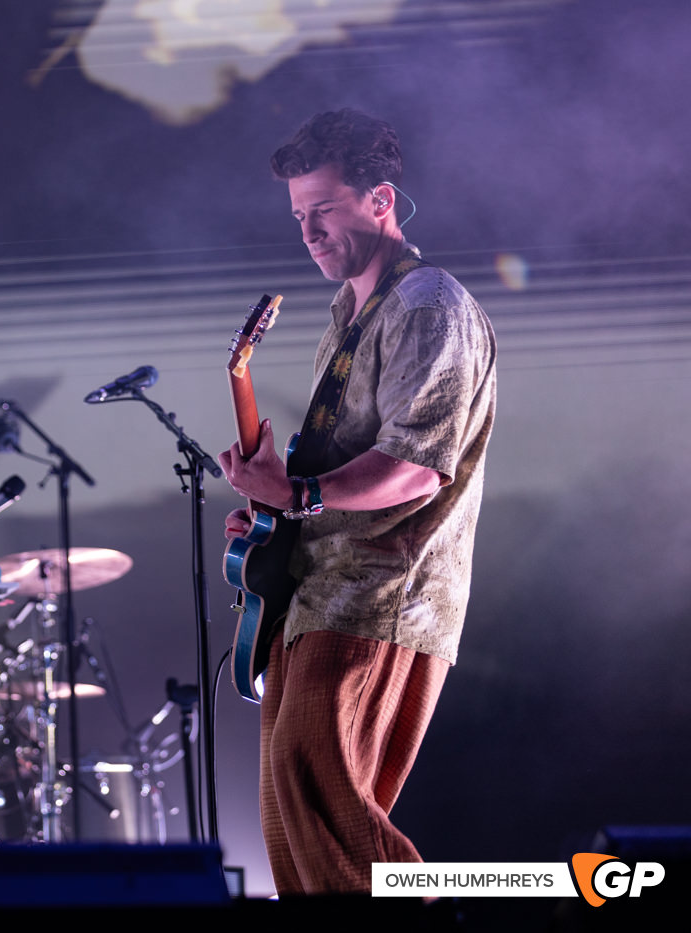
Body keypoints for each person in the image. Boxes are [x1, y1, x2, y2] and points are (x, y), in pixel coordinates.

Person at [218, 108, 496, 895]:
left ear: (381, 200)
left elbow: (417, 467)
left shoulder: (428, 304)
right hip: (317, 592)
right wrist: (273, 510)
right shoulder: (347, 316)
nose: (308, 231)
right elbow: (336, 472)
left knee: (322, 801)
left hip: (379, 597)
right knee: (290, 822)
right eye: (298, 215)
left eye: (324, 209)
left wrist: (297, 492)